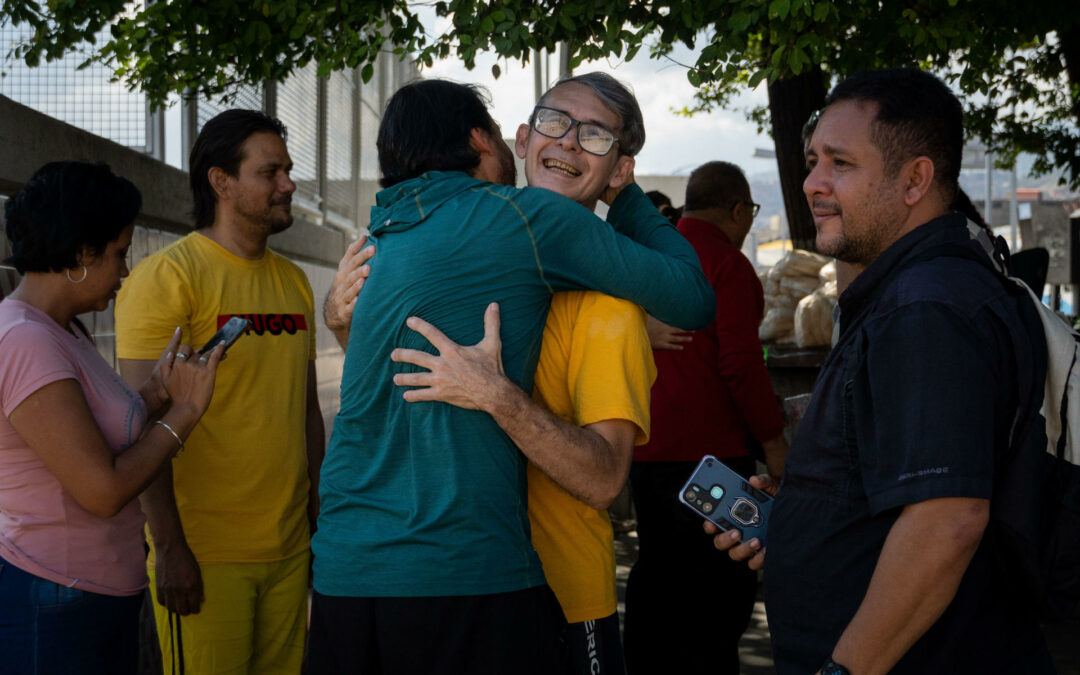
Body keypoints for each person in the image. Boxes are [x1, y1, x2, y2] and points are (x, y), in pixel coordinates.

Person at [308, 78, 716, 674]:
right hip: (463, 572)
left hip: (345, 573)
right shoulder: (525, 222)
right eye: (554, 124)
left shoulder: (382, 237)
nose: (569, 142)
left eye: (594, 136)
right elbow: (693, 298)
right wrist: (624, 195)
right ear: (495, 141)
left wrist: (338, 319)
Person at [711, 68, 1052, 673]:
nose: (812, 182)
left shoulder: (925, 307)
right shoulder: (922, 290)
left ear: (915, 179)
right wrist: (810, 512)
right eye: (813, 160)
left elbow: (947, 520)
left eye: (840, 163)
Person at [114, 110, 324, 673]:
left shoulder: (294, 281)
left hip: (289, 550)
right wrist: (170, 547)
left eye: (288, 170)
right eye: (270, 172)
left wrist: (318, 520)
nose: (288, 184)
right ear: (221, 181)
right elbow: (138, 425)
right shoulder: (167, 277)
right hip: (204, 555)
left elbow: (305, 412)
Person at [0, 161, 222, 674]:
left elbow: (90, 430)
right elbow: (102, 490)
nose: (125, 272)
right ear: (83, 253)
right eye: (120, 253)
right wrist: (186, 412)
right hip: (56, 599)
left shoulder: (61, 327)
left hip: (91, 594)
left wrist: (157, 392)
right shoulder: (26, 340)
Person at [624, 160, 787, 675]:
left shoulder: (654, 255)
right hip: (714, 466)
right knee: (720, 594)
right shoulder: (726, 264)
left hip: (645, 453)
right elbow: (742, 365)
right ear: (738, 210)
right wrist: (775, 444)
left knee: (657, 583)